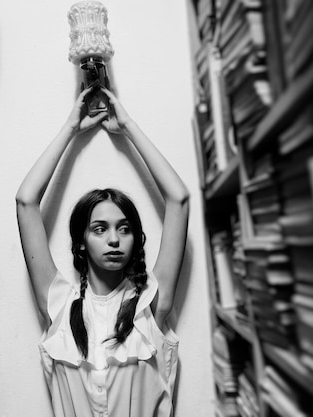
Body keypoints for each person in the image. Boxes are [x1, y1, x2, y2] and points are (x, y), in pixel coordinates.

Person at [15, 85, 189, 417]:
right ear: (80, 241)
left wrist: (127, 127)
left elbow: (178, 199)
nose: (114, 239)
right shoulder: (59, 304)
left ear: (136, 240)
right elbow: (25, 202)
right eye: (100, 229)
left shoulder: (150, 304)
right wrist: (70, 128)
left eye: (125, 229)